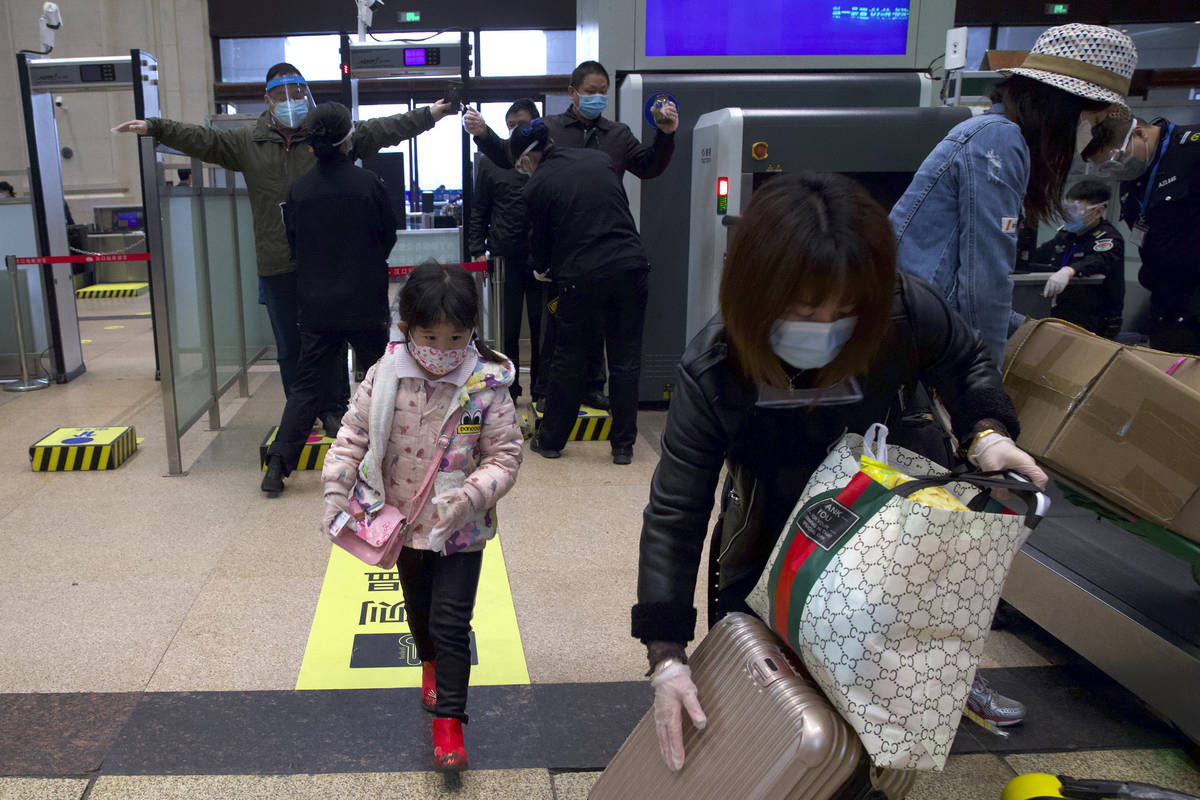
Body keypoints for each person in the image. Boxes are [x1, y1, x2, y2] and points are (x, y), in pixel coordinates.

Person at [632, 173, 1049, 772]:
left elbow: (963, 358)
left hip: (885, 493)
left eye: (846, 311)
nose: (826, 323)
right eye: (804, 309)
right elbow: (677, 510)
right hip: (770, 504)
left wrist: (987, 434)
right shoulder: (715, 365)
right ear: (758, 294)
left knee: (898, 622)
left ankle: (942, 689)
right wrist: (667, 655)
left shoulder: (900, 308)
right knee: (759, 652)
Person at [114, 63, 455, 433]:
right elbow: (202, 140)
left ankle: (334, 409)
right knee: (291, 348)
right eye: (281, 96)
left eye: (297, 94)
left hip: (326, 264)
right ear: (267, 100)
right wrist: (156, 127)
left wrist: (430, 114)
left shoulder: (326, 135)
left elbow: (384, 128)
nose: (291, 102)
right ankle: (300, 415)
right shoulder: (247, 143)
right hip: (278, 262)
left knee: (331, 342)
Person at [321, 262, 523, 772]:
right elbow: (353, 435)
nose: (442, 348)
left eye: (456, 336)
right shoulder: (384, 377)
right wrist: (336, 486)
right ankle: (427, 661)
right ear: (406, 328)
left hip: (462, 528)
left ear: (472, 330)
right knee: (420, 611)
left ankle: (449, 724)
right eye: (429, 335)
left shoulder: (486, 386)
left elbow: (505, 455)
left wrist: (473, 496)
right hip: (403, 522)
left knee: (454, 621)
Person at [891, 23, 1137, 366]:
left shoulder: (997, 137)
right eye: (1092, 122)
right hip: (915, 329)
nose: (1089, 135)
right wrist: (985, 381)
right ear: (1064, 108)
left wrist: (1035, 333)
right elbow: (984, 281)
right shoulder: (998, 141)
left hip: (919, 321)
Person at [464, 61, 680, 411]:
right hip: (559, 248)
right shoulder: (548, 129)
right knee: (555, 327)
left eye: (603, 92)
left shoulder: (618, 135)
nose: (597, 97)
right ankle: (546, 390)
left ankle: (594, 389)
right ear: (573, 92)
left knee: (599, 330)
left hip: (603, 243)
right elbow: (509, 155)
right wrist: (484, 134)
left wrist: (665, 135)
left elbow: (650, 166)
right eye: (591, 90)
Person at [261, 103, 397, 496]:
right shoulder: (368, 183)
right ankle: (389, 461)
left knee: (307, 387)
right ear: (346, 139)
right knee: (382, 382)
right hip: (364, 303)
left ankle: (277, 467)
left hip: (317, 305)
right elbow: (387, 237)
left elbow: (294, 245)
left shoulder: (299, 190)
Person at [515, 120, 650, 465]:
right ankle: (623, 446)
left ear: (529, 158)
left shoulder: (537, 186)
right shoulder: (598, 160)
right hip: (631, 268)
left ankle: (551, 441)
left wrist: (542, 266)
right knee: (625, 360)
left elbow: (541, 246)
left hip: (581, 278)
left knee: (569, 356)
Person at [1084, 115, 1200, 353]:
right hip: (1166, 310)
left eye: (1115, 159)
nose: (1115, 169)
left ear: (1139, 134)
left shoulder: (1192, 149)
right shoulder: (1134, 176)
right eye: (1105, 167)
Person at [467, 98, 543, 401]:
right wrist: (477, 251)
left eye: (521, 125)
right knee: (507, 329)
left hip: (543, 262)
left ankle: (542, 389)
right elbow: (479, 209)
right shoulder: (491, 162)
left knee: (544, 327)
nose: (515, 131)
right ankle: (508, 389)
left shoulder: (546, 160)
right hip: (504, 260)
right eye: (511, 126)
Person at [1032, 179, 1125, 337]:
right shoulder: (1065, 235)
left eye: (1076, 211)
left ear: (1098, 211)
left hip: (1095, 320)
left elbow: (1101, 260)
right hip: (1063, 313)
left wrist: (1071, 270)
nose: (1069, 216)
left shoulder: (1108, 238)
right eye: (1067, 209)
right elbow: (1041, 254)